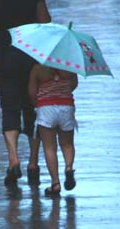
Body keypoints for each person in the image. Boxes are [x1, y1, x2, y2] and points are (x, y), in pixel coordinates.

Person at [0, 0, 51, 186]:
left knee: (9, 107)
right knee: (33, 107)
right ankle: (32, 163)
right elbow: (46, 22)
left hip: (5, 58)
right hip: (31, 57)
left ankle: (13, 160)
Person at [28, 66, 78, 196]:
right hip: (66, 106)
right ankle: (68, 167)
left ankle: (55, 183)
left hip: (46, 108)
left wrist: (38, 103)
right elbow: (74, 84)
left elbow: (32, 93)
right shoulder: (70, 65)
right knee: (67, 144)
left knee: (49, 147)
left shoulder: (37, 69)